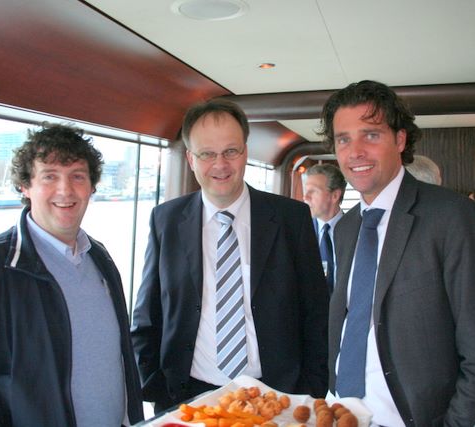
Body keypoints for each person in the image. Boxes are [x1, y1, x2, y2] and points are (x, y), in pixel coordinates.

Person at [319, 80, 475, 426]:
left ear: (400, 139)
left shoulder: (453, 217)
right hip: (340, 413)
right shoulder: (347, 227)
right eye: (343, 139)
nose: (355, 151)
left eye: (371, 135)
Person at [0, 123, 143, 426]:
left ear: (91, 187)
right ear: (25, 186)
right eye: (49, 176)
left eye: (77, 176)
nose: (65, 190)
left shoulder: (99, 257)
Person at [131, 99, 329, 413]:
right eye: (207, 154)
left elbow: (316, 311)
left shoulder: (292, 218)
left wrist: (311, 389)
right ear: (190, 159)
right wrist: (155, 387)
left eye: (230, 151)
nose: (220, 165)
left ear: (245, 152)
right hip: (188, 398)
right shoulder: (166, 220)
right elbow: (148, 315)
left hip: (276, 397)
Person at [303, 163, 347, 293]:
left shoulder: (358, 231)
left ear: (335, 196)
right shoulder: (300, 232)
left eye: (313, 191)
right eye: (306, 191)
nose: (305, 197)